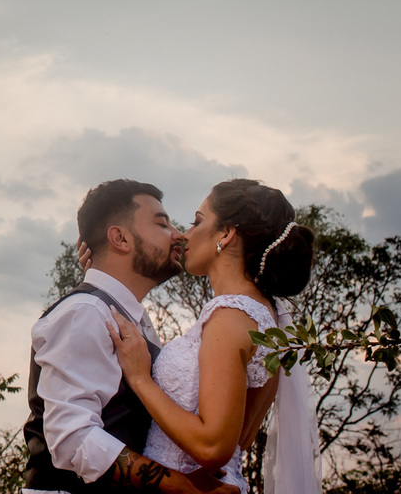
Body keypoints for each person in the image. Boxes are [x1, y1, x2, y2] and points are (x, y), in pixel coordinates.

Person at [105, 179, 321, 494]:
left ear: (226, 233)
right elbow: (242, 438)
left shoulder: (228, 319)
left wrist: (141, 380)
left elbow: (214, 447)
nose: (185, 234)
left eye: (198, 221)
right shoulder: (267, 318)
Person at [22, 179, 238, 493]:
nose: (178, 235)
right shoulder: (84, 312)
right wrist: (184, 488)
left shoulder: (126, 316)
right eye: (162, 224)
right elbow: (72, 439)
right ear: (120, 238)